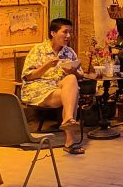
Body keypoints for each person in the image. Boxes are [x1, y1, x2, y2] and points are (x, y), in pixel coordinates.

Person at [21, 17, 86, 154]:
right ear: (53, 33)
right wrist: (46, 66)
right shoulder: (38, 50)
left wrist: (73, 71)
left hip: (60, 87)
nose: (68, 36)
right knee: (72, 96)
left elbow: (81, 75)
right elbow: (28, 76)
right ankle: (70, 140)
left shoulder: (69, 52)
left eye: (70, 32)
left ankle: (68, 118)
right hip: (39, 88)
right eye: (65, 32)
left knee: (72, 78)